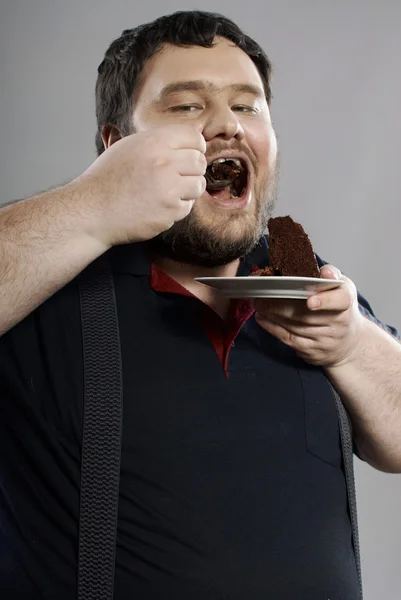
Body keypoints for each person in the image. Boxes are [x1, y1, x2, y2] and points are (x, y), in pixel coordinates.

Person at [0, 10, 400, 600]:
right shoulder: (44, 292)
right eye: (187, 106)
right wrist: (93, 200)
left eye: (248, 106)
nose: (226, 126)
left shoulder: (310, 289)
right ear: (116, 145)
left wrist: (350, 343)